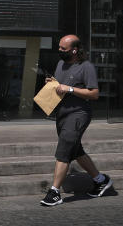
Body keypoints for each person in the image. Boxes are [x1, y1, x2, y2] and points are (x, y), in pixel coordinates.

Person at [40, 34, 113, 206]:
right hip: (62, 114)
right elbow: (62, 85)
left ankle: (54, 192)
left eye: (63, 49)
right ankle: (100, 180)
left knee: (64, 150)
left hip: (78, 114)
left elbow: (94, 93)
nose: (59, 51)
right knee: (76, 151)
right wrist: (53, 83)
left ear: (74, 50)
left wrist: (70, 89)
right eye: (59, 47)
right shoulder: (60, 64)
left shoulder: (86, 67)